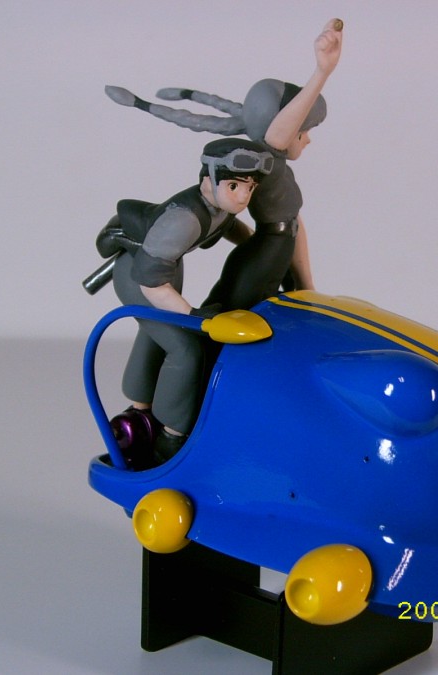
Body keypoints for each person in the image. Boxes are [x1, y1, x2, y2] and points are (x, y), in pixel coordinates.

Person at [103, 18, 343, 311]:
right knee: (236, 313)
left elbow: (293, 225)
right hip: (267, 251)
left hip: (276, 248)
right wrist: (322, 71)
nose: (307, 140)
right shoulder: (267, 157)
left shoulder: (270, 164)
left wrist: (307, 286)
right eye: (303, 132)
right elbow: (280, 131)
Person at [96, 138, 273, 468]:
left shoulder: (220, 206)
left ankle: (140, 407)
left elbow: (234, 230)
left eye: (250, 187)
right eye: (234, 185)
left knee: (156, 333)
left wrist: (259, 247)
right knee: (185, 347)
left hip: (165, 270)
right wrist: (194, 316)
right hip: (141, 277)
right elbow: (150, 281)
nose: (243, 196)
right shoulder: (184, 220)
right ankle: (172, 434)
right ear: (207, 180)